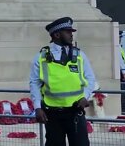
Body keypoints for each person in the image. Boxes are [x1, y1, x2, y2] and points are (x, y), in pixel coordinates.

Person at [29, 17, 96, 146]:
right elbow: (34, 83)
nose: (71, 35)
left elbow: (91, 79)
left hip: (75, 112)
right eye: (68, 31)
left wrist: (85, 96)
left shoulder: (80, 55)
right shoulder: (41, 57)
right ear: (57, 34)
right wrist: (37, 108)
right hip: (52, 114)